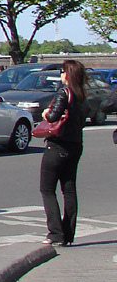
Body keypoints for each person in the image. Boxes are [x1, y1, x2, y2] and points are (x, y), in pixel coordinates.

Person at [39, 59, 88, 247]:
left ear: (67, 74)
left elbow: (53, 116)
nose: (60, 75)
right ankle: (68, 233)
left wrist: (45, 114)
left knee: (47, 190)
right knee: (69, 189)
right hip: (75, 145)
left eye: (62, 71)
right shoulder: (82, 95)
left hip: (57, 146)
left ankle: (55, 233)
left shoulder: (64, 93)